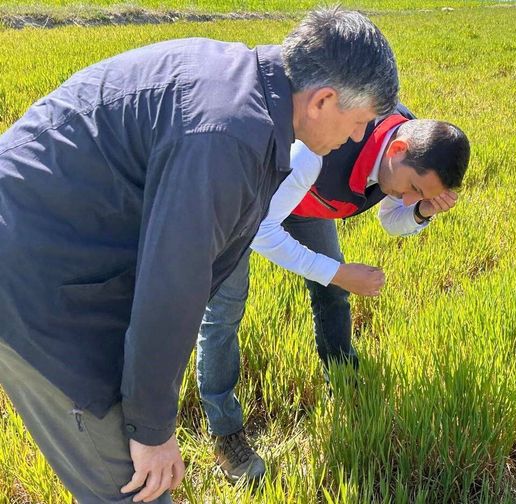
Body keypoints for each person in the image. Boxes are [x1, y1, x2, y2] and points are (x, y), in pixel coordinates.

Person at [0, 7, 398, 503]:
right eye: (359, 123)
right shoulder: (228, 136)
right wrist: (151, 430)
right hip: (34, 281)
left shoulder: (241, 89)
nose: (357, 138)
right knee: (136, 489)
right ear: (323, 100)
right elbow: (173, 285)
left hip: (58, 251)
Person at [195, 105, 470, 483]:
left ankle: (343, 382)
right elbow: (260, 230)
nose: (408, 199)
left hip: (304, 195)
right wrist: (339, 273)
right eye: (415, 189)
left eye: (419, 194)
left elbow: (392, 219)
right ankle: (226, 434)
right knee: (225, 312)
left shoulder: (406, 148)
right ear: (397, 150)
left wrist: (421, 210)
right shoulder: (319, 149)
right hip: (241, 194)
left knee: (332, 292)